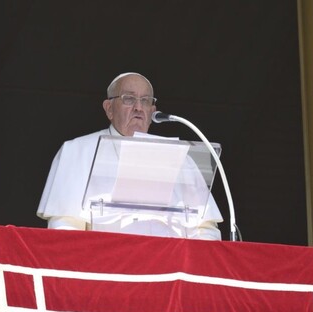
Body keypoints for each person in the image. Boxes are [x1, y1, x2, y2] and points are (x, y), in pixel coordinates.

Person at [36, 72, 222, 240]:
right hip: (105, 268)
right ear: (109, 108)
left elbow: (205, 229)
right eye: (129, 99)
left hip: (170, 270)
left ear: (152, 111)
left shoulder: (182, 159)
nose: (138, 107)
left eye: (146, 101)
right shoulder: (77, 151)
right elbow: (64, 228)